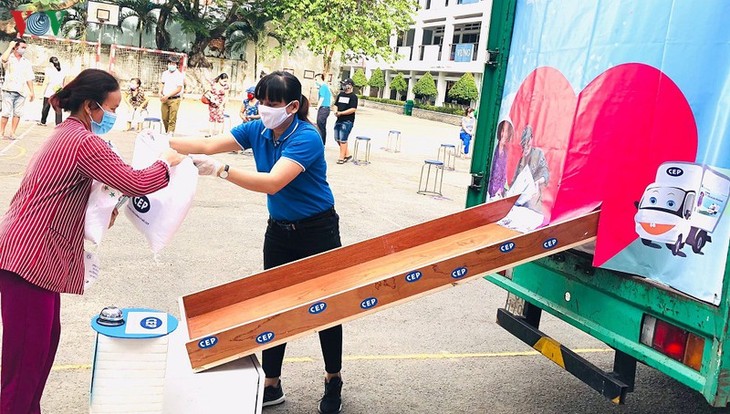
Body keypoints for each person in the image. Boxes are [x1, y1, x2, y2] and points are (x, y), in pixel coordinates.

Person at [0, 68, 183, 414]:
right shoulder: (84, 142)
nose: (114, 115)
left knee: (41, 350)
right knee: (24, 364)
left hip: (35, 258)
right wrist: (167, 164)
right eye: (111, 107)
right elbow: (135, 182)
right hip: (28, 257)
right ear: (89, 106)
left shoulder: (67, 133)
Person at [170, 71, 344, 414]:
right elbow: (207, 144)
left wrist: (221, 171)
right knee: (272, 306)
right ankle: (272, 383)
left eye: (272, 103)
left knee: (327, 308)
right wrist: (163, 142)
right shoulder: (257, 130)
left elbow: (272, 183)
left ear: (292, 107)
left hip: (317, 231)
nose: (264, 108)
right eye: (260, 101)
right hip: (279, 231)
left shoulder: (307, 137)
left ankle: (332, 378)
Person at [1, 38, 35, 140]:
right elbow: (3, 59)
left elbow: (29, 77)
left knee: (17, 113)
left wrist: (32, 91)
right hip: (9, 90)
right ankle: (1, 132)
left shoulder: (26, 62)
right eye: (22, 47)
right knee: (6, 113)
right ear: (16, 47)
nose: (24, 49)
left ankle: (12, 132)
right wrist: (10, 47)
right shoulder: (9, 58)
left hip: (21, 91)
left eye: (25, 48)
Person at [512, 124, 549, 212]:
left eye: (527, 143)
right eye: (523, 145)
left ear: (531, 139)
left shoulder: (538, 154)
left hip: (533, 202)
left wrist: (538, 182)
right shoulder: (521, 160)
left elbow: (546, 173)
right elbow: (514, 180)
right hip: (520, 203)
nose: (525, 148)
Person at [333, 78, 357, 164]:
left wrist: (342, 113)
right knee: (337, 138)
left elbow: (353, 109)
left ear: (350, 86)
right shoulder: (341, 94)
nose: (344, 86)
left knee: (343, 139)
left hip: (347, 121)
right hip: (339, 119)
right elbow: (336, 105)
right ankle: (347, 154)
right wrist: (335, 111)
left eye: (345, 84)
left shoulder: (353, 97)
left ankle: (341, 157)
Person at [488, 120, 514, 199]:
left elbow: (505, 176)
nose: (504, 135)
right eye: (503, 130)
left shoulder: (507, 153)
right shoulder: (492, 148)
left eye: (507, 131)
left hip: (497, 195)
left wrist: (500, 191)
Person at [159, 56, 184, 135]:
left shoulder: (179, 75)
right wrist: (160, 92)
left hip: (174, 99)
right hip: (165, 98)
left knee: (172, 117)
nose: (172, 65)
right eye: (170, 63)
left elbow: (179, 88)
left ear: (176, 65)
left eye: (174, 64)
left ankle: (170, 133)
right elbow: (162, 83)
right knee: (164, 117)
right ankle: (167, 131)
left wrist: (168, 95)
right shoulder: (165, 73)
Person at [38, 57, 65, 126]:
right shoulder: (62, 71)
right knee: (58, 108)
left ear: (50, 63)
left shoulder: (49, 70)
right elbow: (63, 82)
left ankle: (43, 121)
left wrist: (41, 92)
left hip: (49, 91)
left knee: (46, 107)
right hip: (58, 90)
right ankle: (58, 123)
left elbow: (46, 81)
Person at [205, 72, 230, 137]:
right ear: (220, 79)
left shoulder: (226, 87)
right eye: (224, 81)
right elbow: (207, 90)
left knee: (220, 118)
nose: (225, 83)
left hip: (220, 104)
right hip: (212, 103)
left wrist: (222, 104)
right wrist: (211, 97)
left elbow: (226, 96)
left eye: (226, 81)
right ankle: (210, 133)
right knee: (212, 118)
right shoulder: (213, 84)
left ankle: (220, 134)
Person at [315, 73, 332, 144]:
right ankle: (322, 142)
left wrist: (317, 106)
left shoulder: (323, 87)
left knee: (320, 125)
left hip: (323, 108)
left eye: (316, 79)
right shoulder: (326, 87)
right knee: (322, 126)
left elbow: (322, 98)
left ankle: (321, 142)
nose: (315, 81)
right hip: (326, 108)